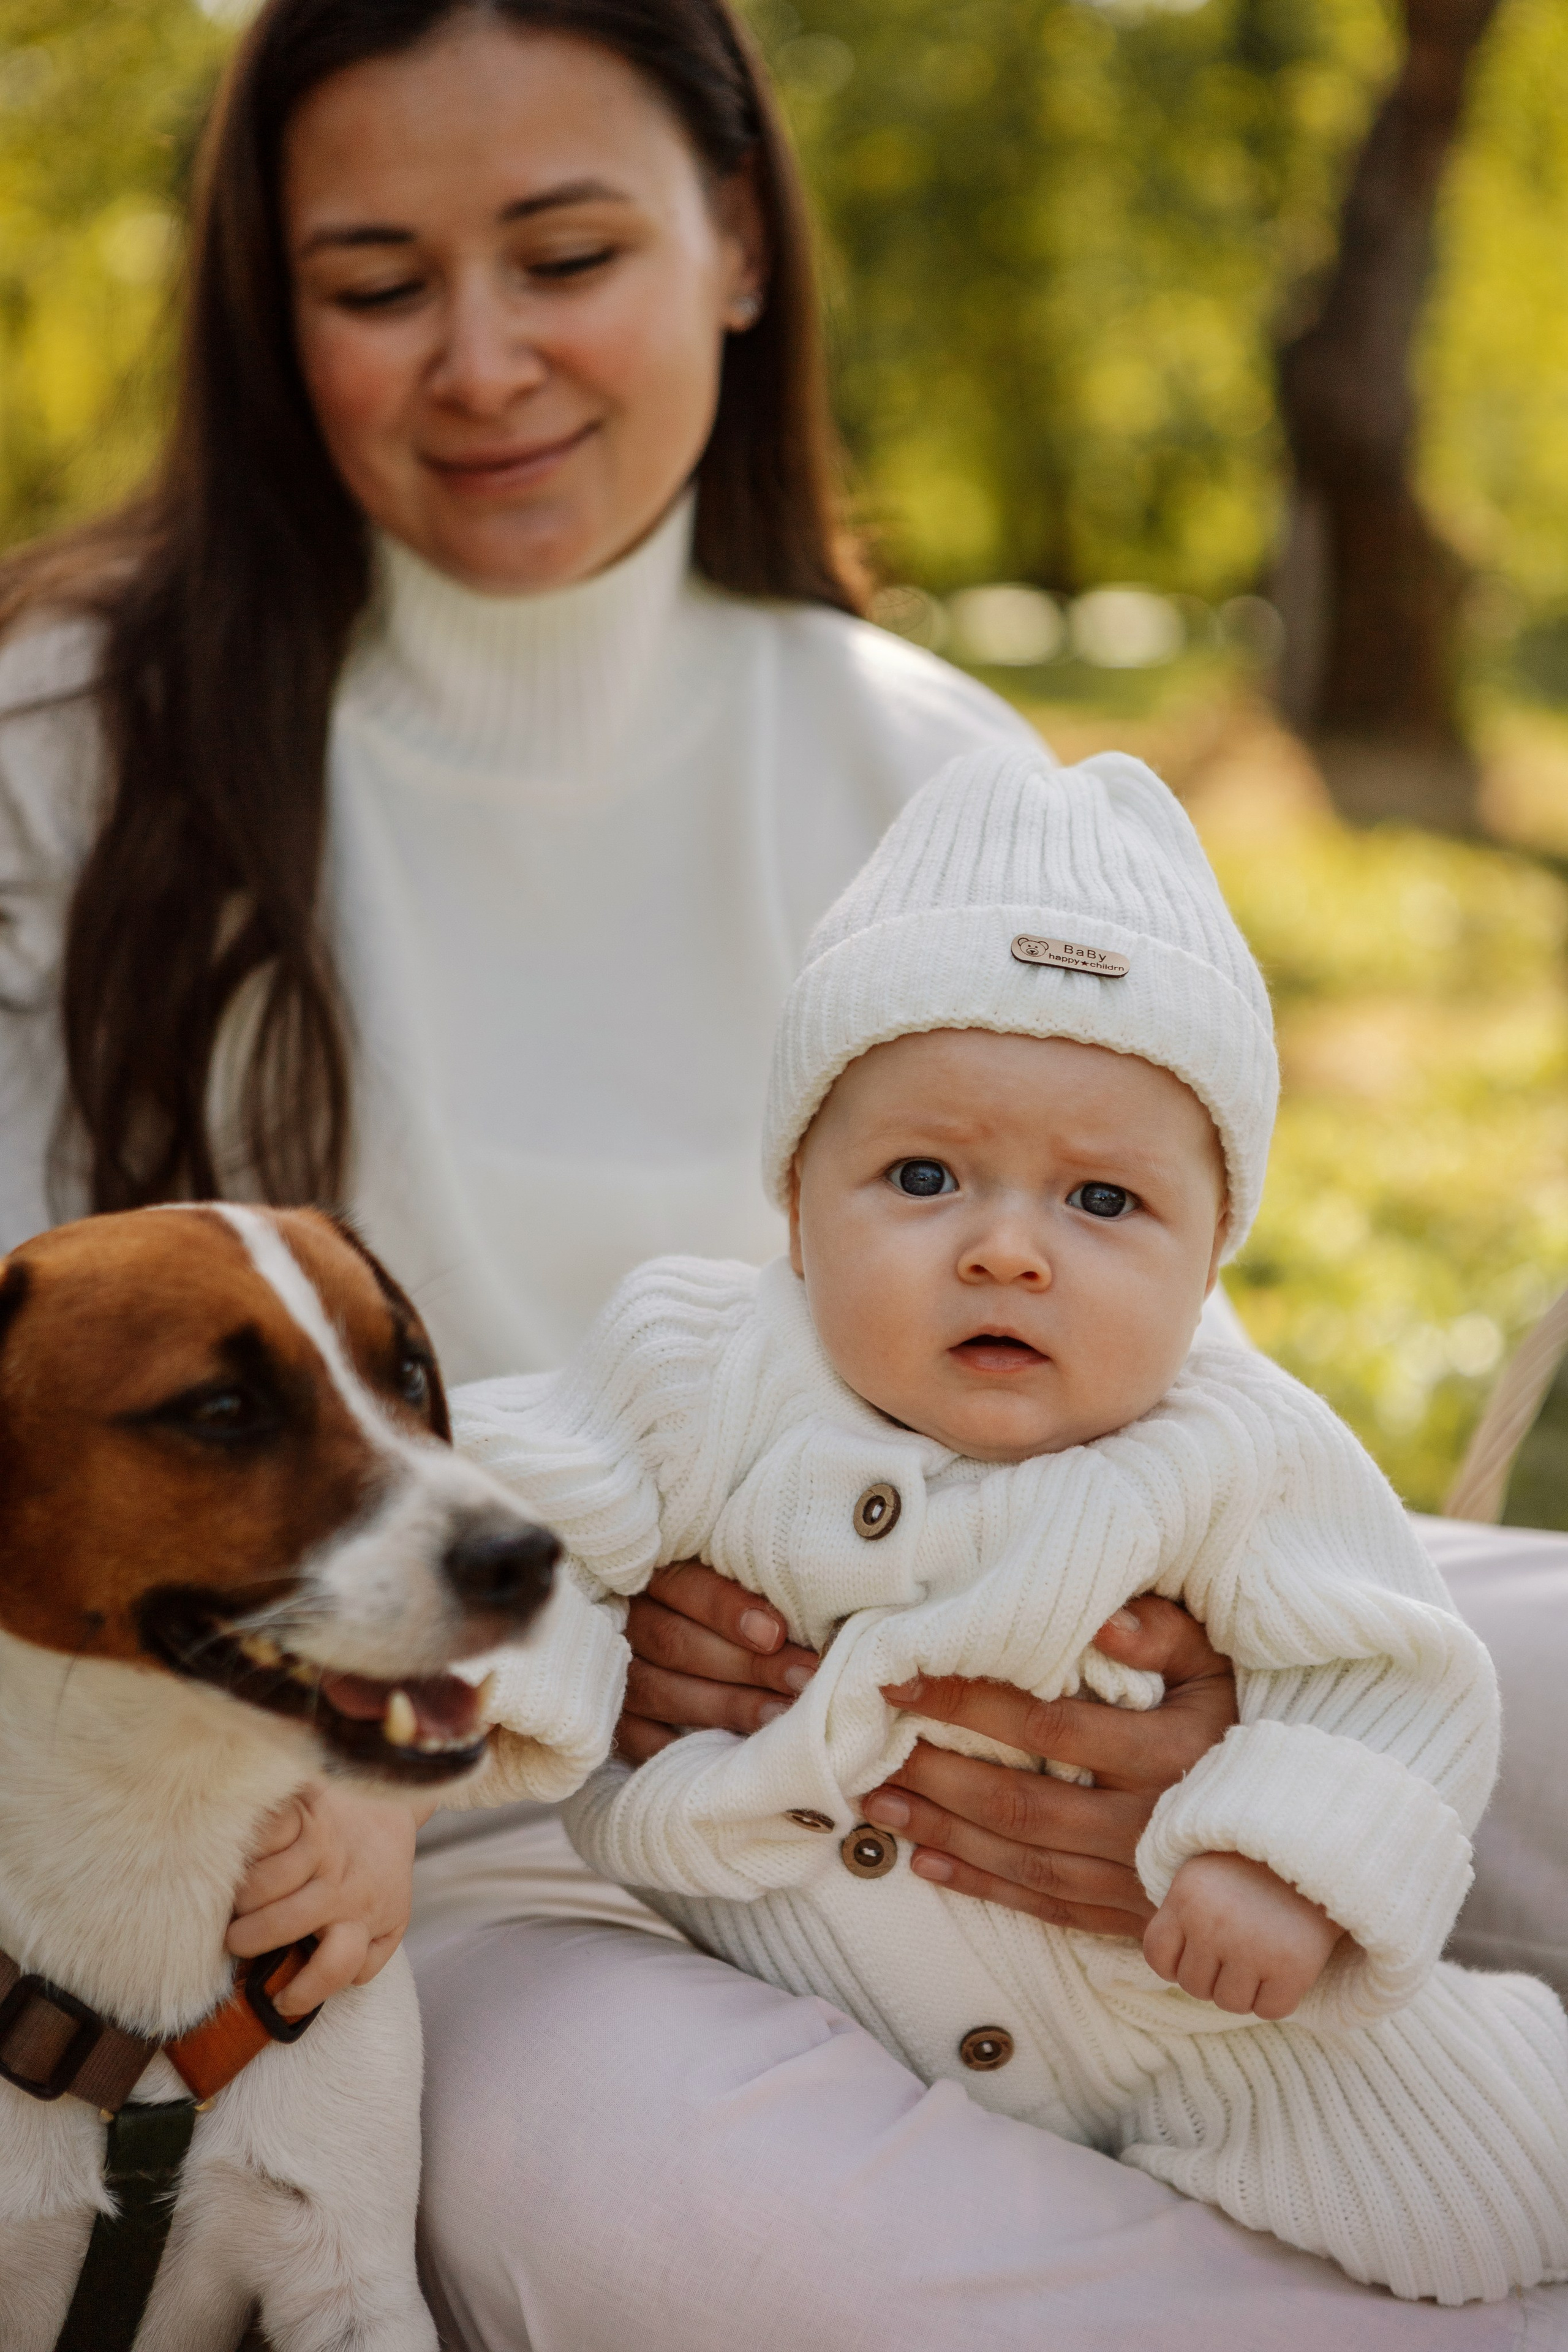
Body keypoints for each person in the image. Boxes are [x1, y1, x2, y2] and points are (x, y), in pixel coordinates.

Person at [0, 0, 1560, 2343]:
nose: (485, 361)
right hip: (444, 1815)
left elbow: (1151, 1348)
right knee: (736, 2235)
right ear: (267, 310)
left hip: (988, 1630)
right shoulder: (65, 748)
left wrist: (1202, 1728)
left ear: (737, 242)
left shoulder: (925, 763)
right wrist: (506, 1689)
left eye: (566, 255)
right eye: (377, 282)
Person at [446, 743, 1568, 2305]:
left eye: (1101, 1202)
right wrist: (524, 1685)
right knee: (748, 2217)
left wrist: (1287, 1866)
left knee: (1476, 2187)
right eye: (922, 1176)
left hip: (1197, 2035)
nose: (1005, 1252)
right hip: (808, 2001)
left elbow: (1384, 1675)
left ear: (1210, 1258)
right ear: (794, 1210)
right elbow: (505, 1513)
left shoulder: (1242, 1452)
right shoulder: (693, 1368)